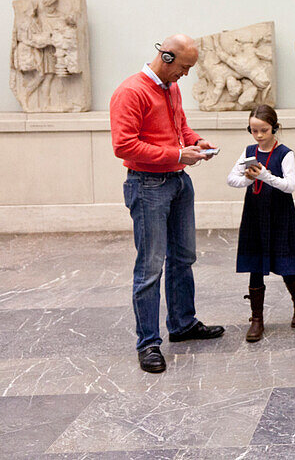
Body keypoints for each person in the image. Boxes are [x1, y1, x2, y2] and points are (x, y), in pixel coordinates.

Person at [110, 34, 225, 373]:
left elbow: (180, 127)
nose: (186, 76)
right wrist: (177, 153)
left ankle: (182, 324)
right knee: (150, 267)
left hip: (177, 182)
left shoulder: (170, 88)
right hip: (148, 186)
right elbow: (124, 146)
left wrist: (195, 142)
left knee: (184, 257)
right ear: (168, 57)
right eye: (185, 68)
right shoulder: (130, 92)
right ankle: (148, 343)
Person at [226, 104, 295, 340]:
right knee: (255, 264)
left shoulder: (285, 153)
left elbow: (289, 185)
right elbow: (231, 179)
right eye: (254, 130)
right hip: (255, 212)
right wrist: (247, 177)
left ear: (274, 128)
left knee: (285, 263)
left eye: (264, 130)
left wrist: (264, 176)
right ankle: (257, 319)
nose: (259, 135)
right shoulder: (249, 151)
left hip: (280, 212)